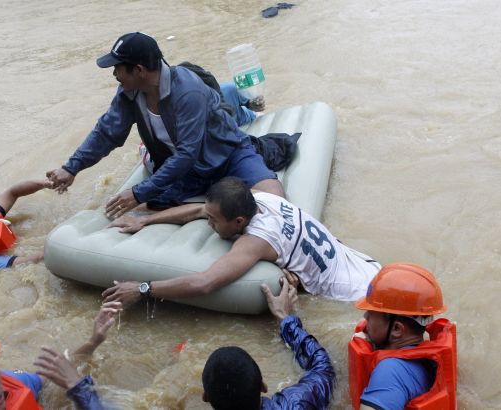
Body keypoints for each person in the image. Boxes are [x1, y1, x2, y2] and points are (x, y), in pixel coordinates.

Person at [46, 32, 284, 220]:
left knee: (273, 198)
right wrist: (71, 168)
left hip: (227, 155)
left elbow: (187, 153)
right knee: (127, 215)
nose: (114, 74)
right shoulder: (129, 93)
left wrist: (139, 192)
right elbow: (107, 132)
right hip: (187, 171)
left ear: (138, 70)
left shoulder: (187, 91)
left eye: (117, 68)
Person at [103, 176, 381, 305]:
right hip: (371, 267)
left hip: (358, 296)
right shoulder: (262, 198)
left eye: (213, 221)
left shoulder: (255, 240)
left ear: (238, 222)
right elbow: (199, 209)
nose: (208, 224)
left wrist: (141, 289)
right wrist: (145, 220)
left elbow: (205, 283)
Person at [202, 279, 334, 409]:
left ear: (205, 397)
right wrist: (285, 319)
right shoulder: (295, 404)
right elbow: (323, 369)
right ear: (263, 386)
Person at [348, 263, 457, 410]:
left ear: (396, 328)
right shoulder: (431, 361)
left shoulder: (389, 372)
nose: (365, 316)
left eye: (372, 313)